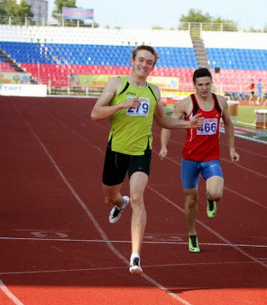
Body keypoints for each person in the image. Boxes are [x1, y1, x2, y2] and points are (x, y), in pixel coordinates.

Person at [90, 45, 204, 275]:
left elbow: (162, 121)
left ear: (153, 66)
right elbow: (95, 114)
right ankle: (119, 204)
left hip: (141, 152)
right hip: (116, 151)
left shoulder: (154, 92)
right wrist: (121, 105)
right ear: (133, 60)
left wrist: (187, 124)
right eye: (140, 60)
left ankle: (135, 257)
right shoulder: (117, 84)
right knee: (109, 197)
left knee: (137, 197)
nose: (144, 65)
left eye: (149, 62)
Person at [159, 68, 240, 253]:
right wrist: (164, 146)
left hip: (211, 158)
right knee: (190, 201)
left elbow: (228, 124)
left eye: (207, 84)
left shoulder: (220, 102)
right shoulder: (187, 103)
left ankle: (210, 197)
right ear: (194, 85)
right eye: (200, 85)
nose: (204, 88)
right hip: (190, 159)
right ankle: (192, 234)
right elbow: (168, 124)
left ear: (212, 83)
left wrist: (232, 148)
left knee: (217, 194)